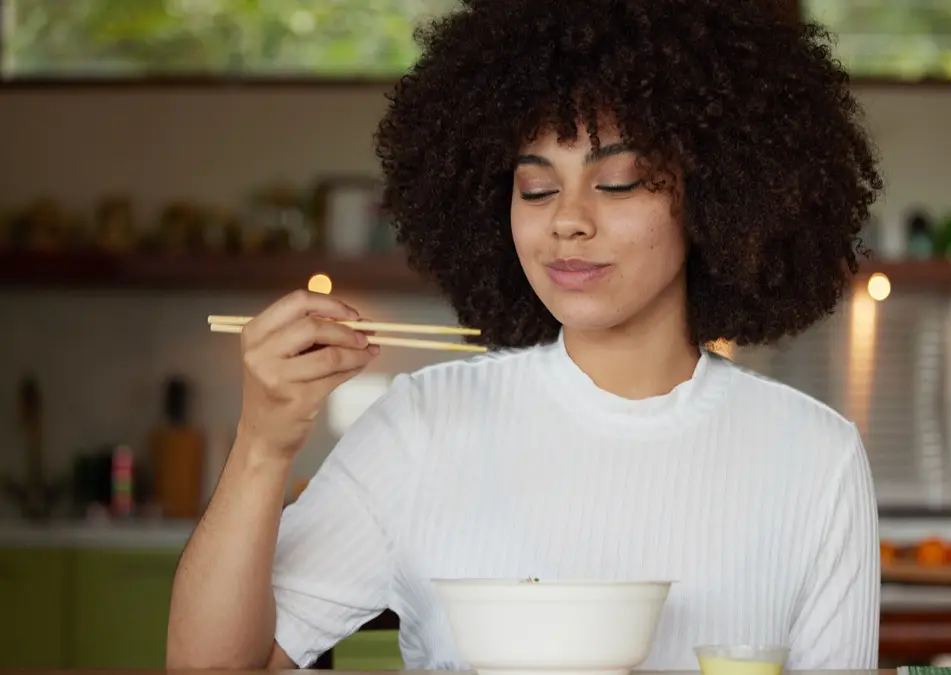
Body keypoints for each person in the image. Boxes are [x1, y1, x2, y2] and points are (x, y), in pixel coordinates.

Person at [165, 0, 883, 670]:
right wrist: (263, 444)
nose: (567, 219)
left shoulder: (814, 459)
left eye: (619, 182)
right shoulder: (421, 427)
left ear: (717, 197)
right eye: (536, 188)